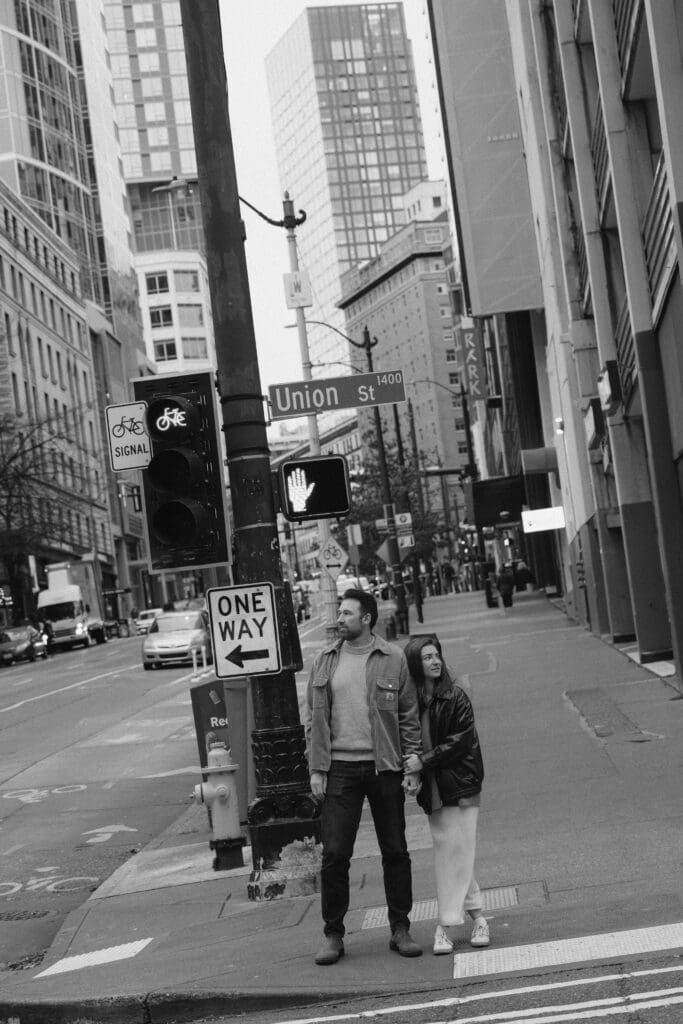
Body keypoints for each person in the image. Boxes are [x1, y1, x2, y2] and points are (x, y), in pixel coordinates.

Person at [305, 588, 423, 965]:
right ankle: (333, 935)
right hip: (339, 769)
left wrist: (412, 763)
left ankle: (400, 928)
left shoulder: (393, 658)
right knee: (335, 854)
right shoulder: (324, 660)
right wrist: (316, 770)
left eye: (347, 613)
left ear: (367, 618)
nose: (340, 619)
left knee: (395, 850)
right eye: (340, 613)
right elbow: (314, 721)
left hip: (383, 766)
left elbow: (408, 715)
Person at [402, 635, 489, 955]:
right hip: (435, 789)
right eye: (427, 657)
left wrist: (422, 761)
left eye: (436, 655)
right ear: (415, 664)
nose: (435, 661)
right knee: (455, 853)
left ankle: (445, 925)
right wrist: (413, 772)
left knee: (454, 853)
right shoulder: (411, 702)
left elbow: (461, 741)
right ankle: (479, 917)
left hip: (462, 783)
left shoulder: (456, 697)